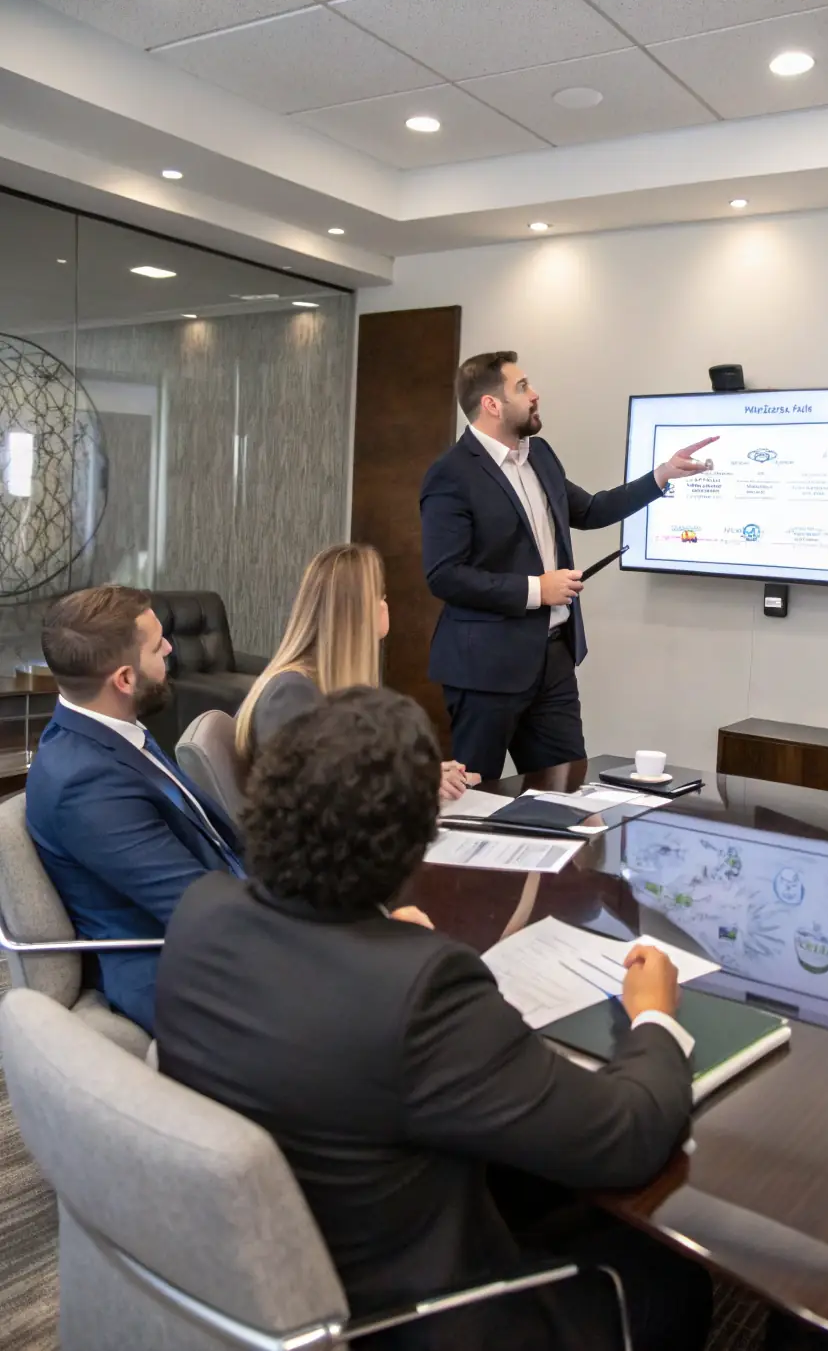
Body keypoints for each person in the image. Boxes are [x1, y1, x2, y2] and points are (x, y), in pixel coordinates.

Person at [156, 688, 713, 1351]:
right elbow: (628, 1134)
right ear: (413, 843)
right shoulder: (419, 990)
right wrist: (653, 1015)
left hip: (256, 1275)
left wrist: (377, 933)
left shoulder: (201, 913)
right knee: (675, 1278)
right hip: (412, 1319)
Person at [420, 350, 717, 780]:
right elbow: (444, 575)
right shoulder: (450, 474)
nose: (535, 394)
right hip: (485, 669)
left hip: (553, 660)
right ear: (491, 404)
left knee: (566, 792)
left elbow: (592, 510)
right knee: (475, 796)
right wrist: (537, 590)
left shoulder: (539, 456)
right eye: (522, 387)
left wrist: (661, 475)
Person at [25, 585, 244, 1033]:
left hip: (224, 919)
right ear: (124, 679)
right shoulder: (86, 785)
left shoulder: (112, 729)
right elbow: (200, 911)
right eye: (157, 644)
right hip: (182, 974)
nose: (170, 649)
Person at [235, 542, 475, 801]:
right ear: (354, 611)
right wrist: (415, 786)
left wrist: (419, 774)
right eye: (380, 596)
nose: (385, 605)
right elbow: (311, 803)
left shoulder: (330, 686)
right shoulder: (291, 693)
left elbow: (348, 774)